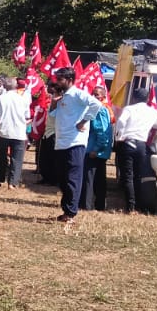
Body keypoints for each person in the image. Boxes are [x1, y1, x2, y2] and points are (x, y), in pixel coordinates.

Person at [48, 68, 104, 223]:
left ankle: (70, 212)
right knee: (62, 178)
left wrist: (83, 121)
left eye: (60, 79)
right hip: (61, 142)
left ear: (70, 79)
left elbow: (96, 104)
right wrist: (54, 100)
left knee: (73, 178)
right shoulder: (63, 96)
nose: (57, 82)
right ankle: (66, 210)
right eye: (57, 79)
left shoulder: (78, 93)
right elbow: (53, 115)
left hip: (75, 142)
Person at [113, 87, 157, 214]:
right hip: (141, 145)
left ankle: (130, 207)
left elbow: (120, 122)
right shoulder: (152, 112)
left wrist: (119, 136)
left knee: (127, 176)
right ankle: (139, 205)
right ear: (147, 99)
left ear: (134, 98)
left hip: (127, 143)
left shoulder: (129, 109)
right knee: (138, 176)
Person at [0, 77, 30, 189]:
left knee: (0, 158)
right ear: (16, 86)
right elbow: (27, 117)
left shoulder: (1, 98)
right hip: (19, 132)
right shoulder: (23, 99)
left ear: (5, 86)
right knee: (17, 158)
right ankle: (12, 183)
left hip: (4, 131)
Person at [80, 85, 114, 211]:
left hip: (95, 150)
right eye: (92, 94)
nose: (94, 97)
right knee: (99, 179)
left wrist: (96, 149)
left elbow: (102, 131)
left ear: (103, 97)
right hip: (99, 150)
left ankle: (86, 205)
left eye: (97, 95)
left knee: (89, 178)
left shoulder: (99, 109)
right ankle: (99, 205)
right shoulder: (101, 109)